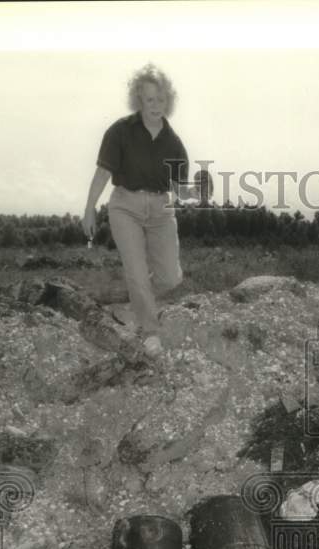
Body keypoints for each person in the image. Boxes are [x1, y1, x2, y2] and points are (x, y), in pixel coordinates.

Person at [82, 63, 196, 353]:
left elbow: (180, 190)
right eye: (149, 99)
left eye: (161, 99)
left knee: (171, 277)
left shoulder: (174, 144)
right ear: (138, 100)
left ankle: (135, 299)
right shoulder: (120, 132)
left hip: (161, 210)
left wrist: (198, 191)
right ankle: (150, 332)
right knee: (136, 270)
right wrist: (89, 208)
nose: (156, 105)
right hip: (125, 207)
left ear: (168, 100)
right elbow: (103, 173)